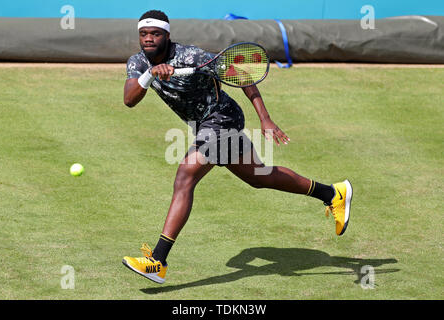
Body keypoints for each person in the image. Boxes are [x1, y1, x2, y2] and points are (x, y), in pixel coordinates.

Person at [122, 10, 353, 284]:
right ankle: (333, 193)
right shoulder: (137, 63)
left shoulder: (193, 57)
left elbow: (242, 74)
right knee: (258, 176)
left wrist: (265, 119)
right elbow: (129, 99)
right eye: (144, 34)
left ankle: (157, 260)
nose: (148, 39)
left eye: (155, 34)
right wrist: (150, 75)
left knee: (185, 176)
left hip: (223, 119)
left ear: (167, 36)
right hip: (204, 126)